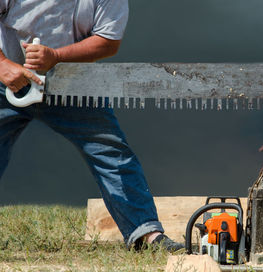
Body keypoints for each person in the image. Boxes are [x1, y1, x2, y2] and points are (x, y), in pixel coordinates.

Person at [0, 0, 183, 252]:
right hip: (6, 78)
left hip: (73, 81)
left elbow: (108, 41)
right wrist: (2, 64)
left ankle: (146, 235)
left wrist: (56, 56)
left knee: (111, 152)